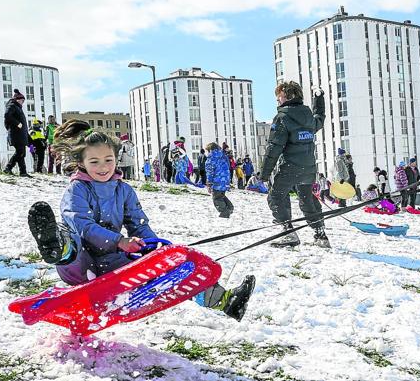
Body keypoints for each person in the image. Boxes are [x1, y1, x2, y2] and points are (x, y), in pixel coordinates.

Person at [26, 120, 254, 321]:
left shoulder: (124, 191)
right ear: (82, 162)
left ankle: (227, 301)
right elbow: (82, 225)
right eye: (94, 162)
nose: (103, 167)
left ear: (117, 158)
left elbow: (138, 224)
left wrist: (157, 251)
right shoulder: (77, 190)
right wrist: (118, 240)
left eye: (108, 159)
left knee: (171, 267)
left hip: (112, 264)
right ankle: (55, 246)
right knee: (71, 236)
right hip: (81, 264)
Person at [261, 81, 329, 248]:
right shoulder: (308, 117)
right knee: (307, 199)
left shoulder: (282, 118)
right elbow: (319, 117)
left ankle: (288, 232)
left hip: (290, 167)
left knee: (276, 196)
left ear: (288, 97)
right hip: (309, 168)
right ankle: (320, 234)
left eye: (280, 98)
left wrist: (264, 173)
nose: (278, 102)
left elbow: (274, 148)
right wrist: (318, 99)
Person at [3, 89, 31, 177]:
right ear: (17, 99)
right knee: (20, 152)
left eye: (23, 101)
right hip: (16, 134)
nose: (23, 102)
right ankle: (8, 168)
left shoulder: (18, 108)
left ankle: (23, 172)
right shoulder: (12, 105)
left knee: (22, 153)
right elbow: (7, 115)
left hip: (20, 135)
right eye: (22, 100)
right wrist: (17, 123)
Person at [205, 142, 234, 218]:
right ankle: (230, 207)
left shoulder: (211, 159)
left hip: (217, 180)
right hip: (225, 180)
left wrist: (209, 183)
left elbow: (209, 172)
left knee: (216, 198)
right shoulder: (223, 156)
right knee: (221, 195)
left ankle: (224, 211)